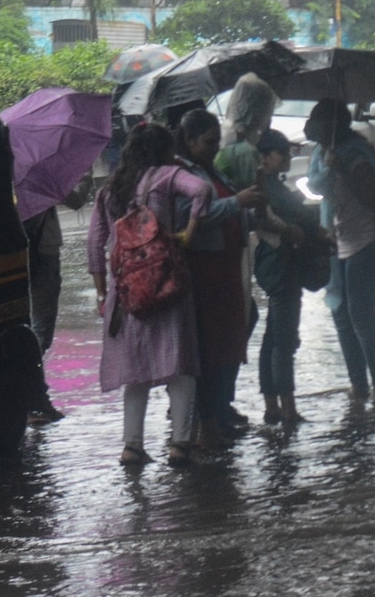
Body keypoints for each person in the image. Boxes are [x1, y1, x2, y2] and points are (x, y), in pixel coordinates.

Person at [88, 124, 208, 466]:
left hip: (126, 293)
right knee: (181, 365)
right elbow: (201, 191)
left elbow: (94, 245)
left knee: (135, 371)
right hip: (166, 285)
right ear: (163, 150)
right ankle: (180, 445)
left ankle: (132, 447)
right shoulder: (167, 176)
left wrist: (102, 294)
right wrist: (187, 233)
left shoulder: (110, 189)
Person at [175, 110, 264, 447]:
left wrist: (251, 210)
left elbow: (230, 212)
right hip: (205, 270)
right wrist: (236, 204)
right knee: (212, 348)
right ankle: (208, 422)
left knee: (231, 336)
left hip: (227, 268)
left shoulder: (210, 171)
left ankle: (218, 413)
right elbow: (192, 219)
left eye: (216, 142)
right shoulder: (183, 174)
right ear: (190, 140)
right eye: (208, 143)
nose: (214, 148)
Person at [304, 98, 375, 408]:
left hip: (371, 241)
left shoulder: (357, 153)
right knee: (341, 316)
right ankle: (359, 386)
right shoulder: (321, 155)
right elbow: (317, 188)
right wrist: (329, 168)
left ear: (331, 125)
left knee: (361, 318)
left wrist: (344, 168)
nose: (307, 127)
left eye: (315, 121)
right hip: (338, 240)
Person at [253, 130, 325, 426]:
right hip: (283, 268)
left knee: (273, 339)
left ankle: (273, 407)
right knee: (284, 341)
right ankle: (288, 409)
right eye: (281, 153)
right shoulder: (268, 189)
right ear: (266, 156)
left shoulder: (270, 186)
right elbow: (292, 217)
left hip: (276, 268)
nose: (286, 158)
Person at [23, 182, 88, 425]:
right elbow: (77, 200)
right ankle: (34, 399)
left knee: (25, 326)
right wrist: (85, 175)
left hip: (10, 254)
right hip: (44, 254)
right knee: (40, 331)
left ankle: (31, 397)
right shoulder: (41, 173)